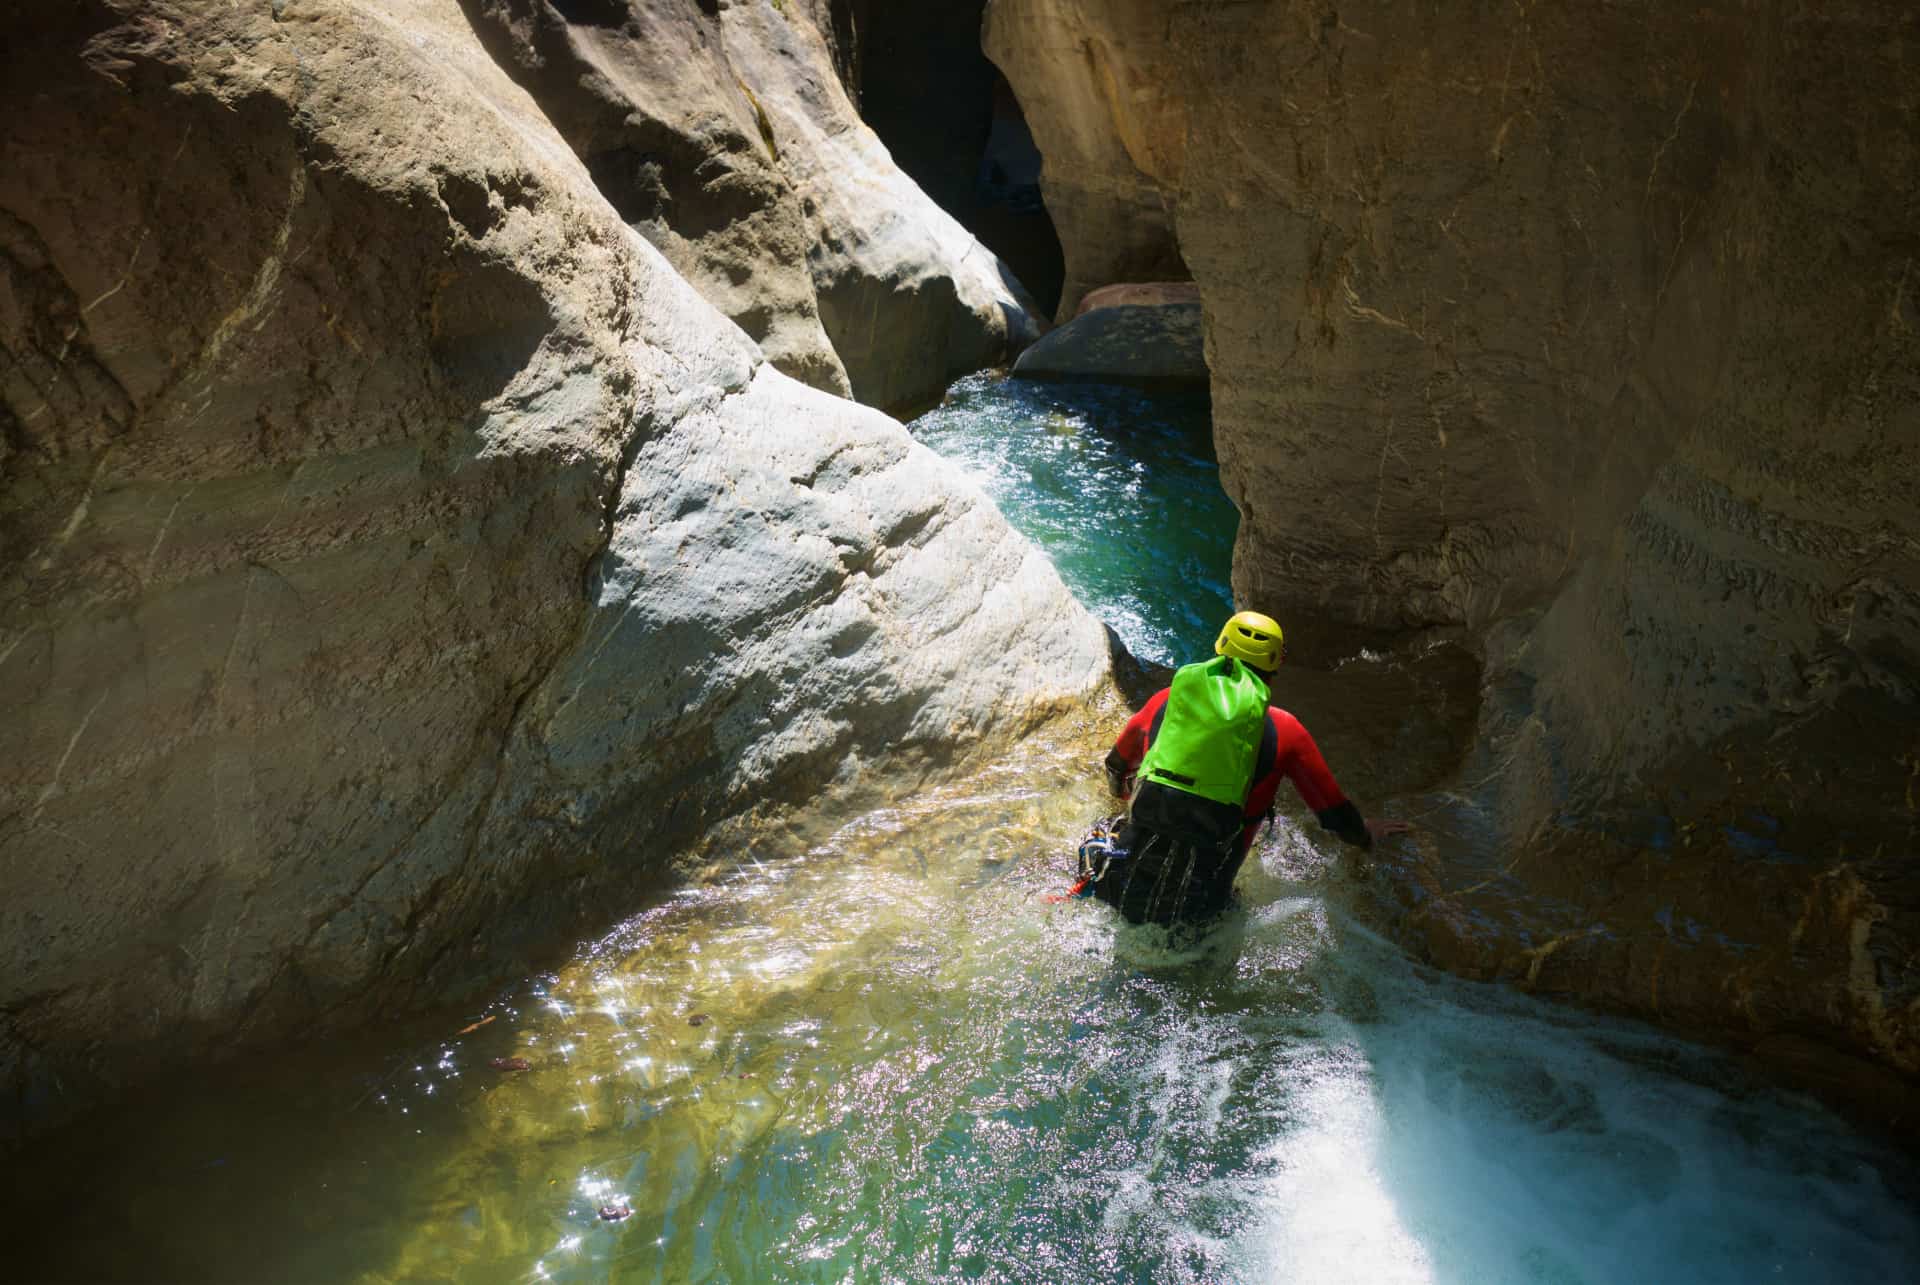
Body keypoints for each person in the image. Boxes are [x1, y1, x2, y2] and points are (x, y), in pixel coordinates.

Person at [1087, 610, 1405, 925]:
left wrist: (1121, 799)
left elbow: (1116, 766)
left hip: (1122, 878)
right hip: (1203, 902)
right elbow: (1334, 815)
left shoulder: (1167, 700)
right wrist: (1365, 835)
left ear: (1219, 647)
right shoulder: (1287, 731)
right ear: (1277, 661)